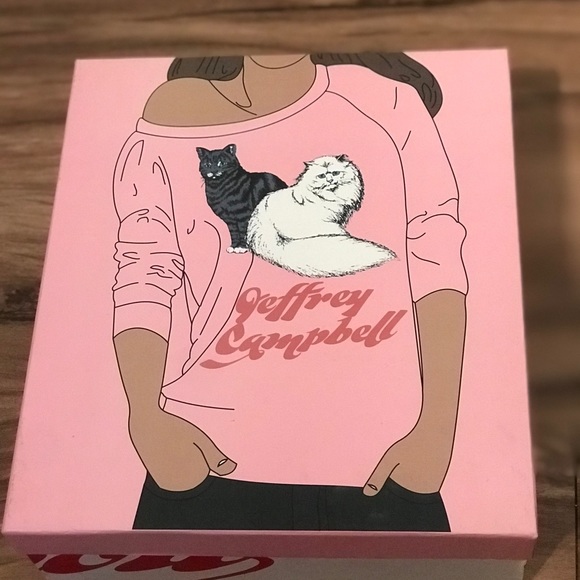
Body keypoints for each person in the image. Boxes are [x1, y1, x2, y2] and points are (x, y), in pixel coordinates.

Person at [112, 53, 467, 531]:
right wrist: (146, 417)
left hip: (385, 458)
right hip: (204, 451)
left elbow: (437, 259)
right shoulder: (171, 118)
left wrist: (438, 429)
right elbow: (143, 268)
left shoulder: (384, 101)